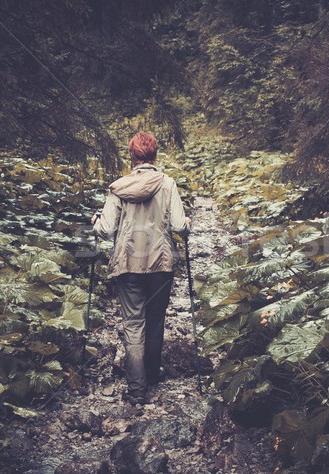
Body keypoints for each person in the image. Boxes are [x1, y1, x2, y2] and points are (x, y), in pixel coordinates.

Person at [92, 131, 191, 405]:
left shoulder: (119, 187)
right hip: (160, 263)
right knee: (155, 320)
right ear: (154, 155)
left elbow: (106, 229)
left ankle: (137, 388)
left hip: (128, 263)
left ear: (132, 156)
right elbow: (180, 226)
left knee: (133, 323)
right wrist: (188, 226)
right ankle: (152, 373)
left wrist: (96, 223)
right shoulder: (168, 184)